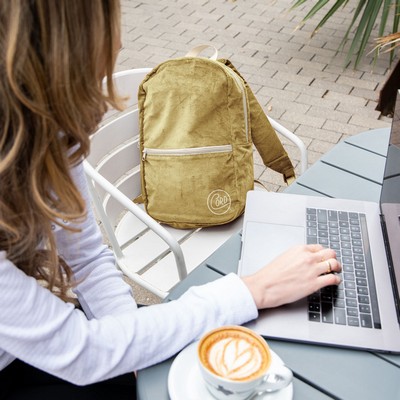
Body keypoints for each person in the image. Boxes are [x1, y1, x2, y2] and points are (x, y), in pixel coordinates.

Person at [0, 1, 341, 399]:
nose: (122, 40)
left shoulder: (47, 134)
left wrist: (135, 356)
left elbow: (88, 259)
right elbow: (85, 351)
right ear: (55, 55)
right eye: (105, 28)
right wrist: (252, 291)